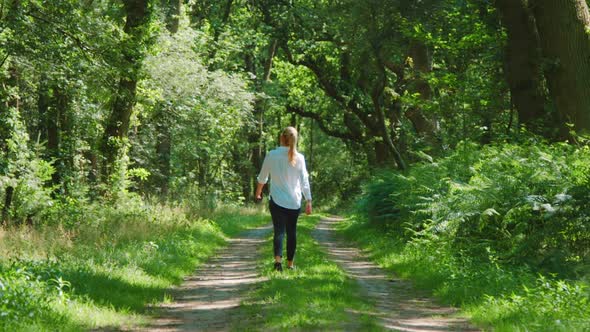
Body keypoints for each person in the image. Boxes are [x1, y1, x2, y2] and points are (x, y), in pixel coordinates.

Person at [255, 126, 312, 272]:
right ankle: (290, 264)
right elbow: (304, 181)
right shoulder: (300, 158)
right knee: (292, 232)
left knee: (279, 231)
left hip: (277, 201)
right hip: (294, 202)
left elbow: (263, 177)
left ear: (281, 138)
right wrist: (308, 200)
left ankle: (277, 263)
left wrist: (258, 193)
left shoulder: (272, 155)